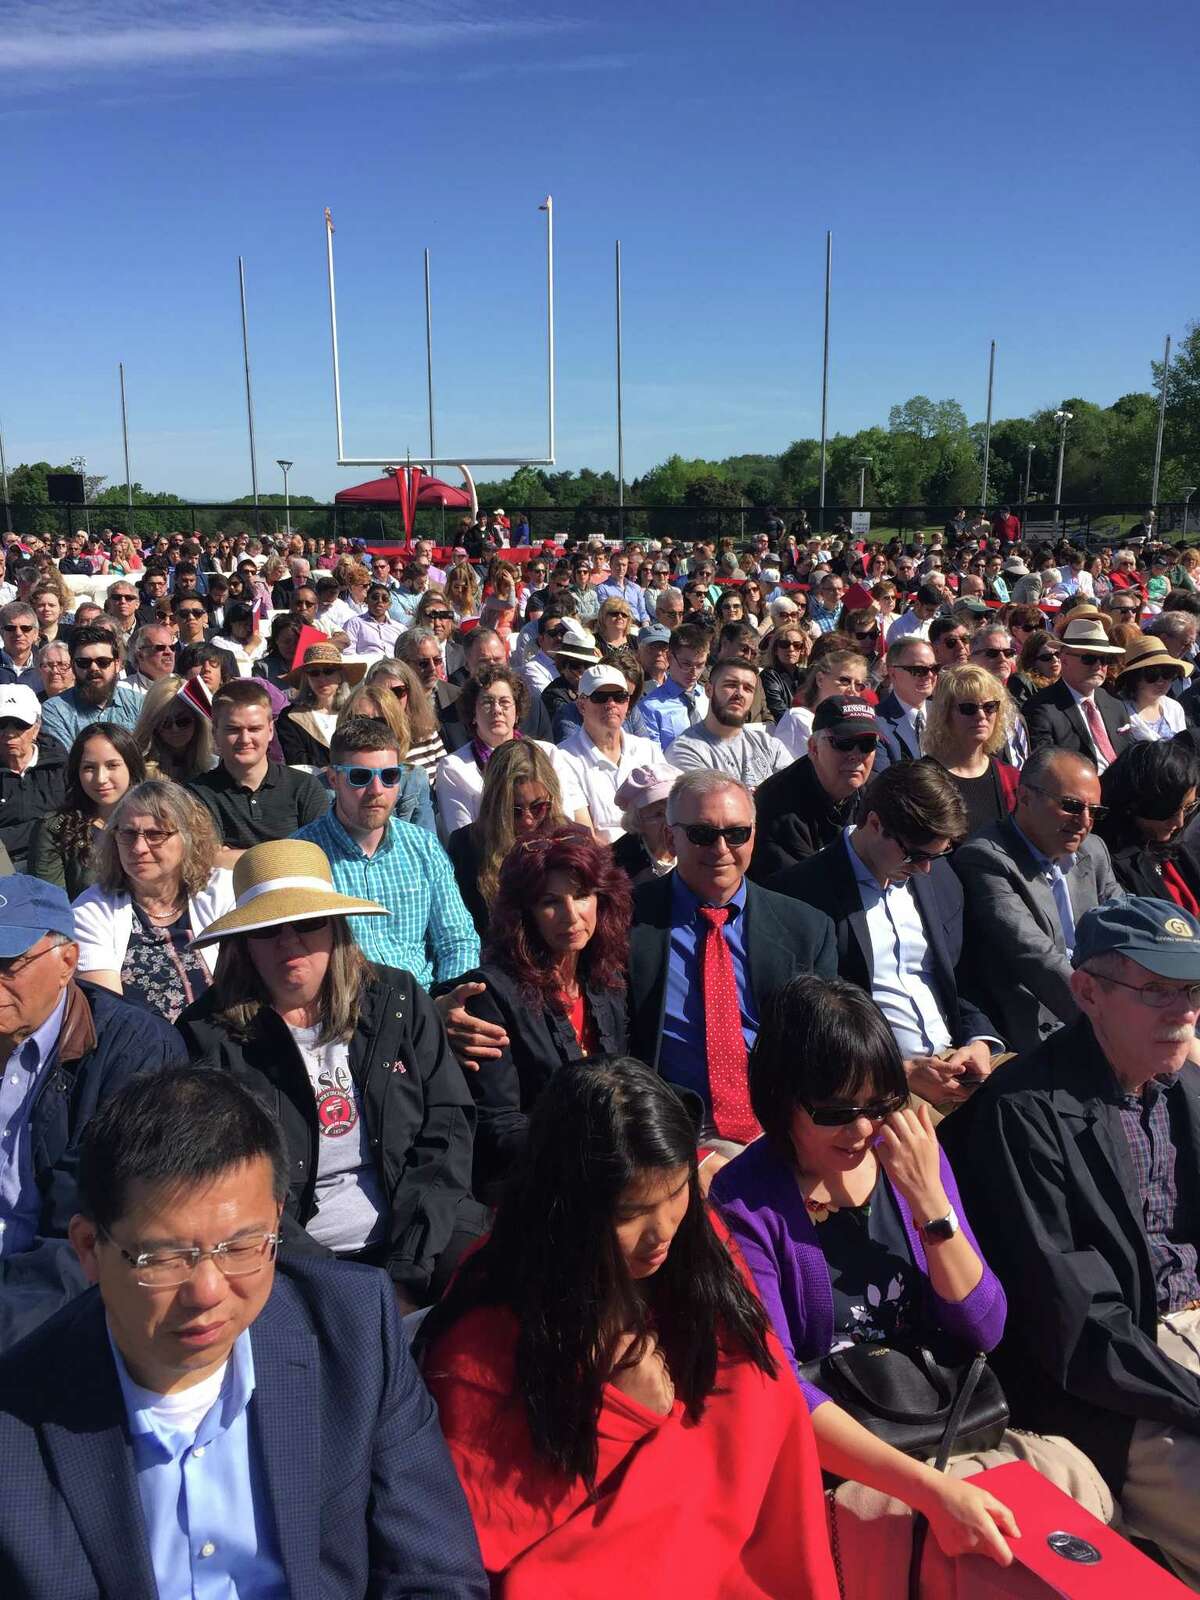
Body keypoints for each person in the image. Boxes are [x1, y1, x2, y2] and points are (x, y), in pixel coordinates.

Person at [0, 1065, 488, 1598]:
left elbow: (435, 1574)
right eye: (164, 1257)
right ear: (89, 1248)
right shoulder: (18, 1420)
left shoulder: (353, 1334)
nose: (207, 1290)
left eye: (241, 1247)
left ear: (278, 1219)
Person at [712, 978, 1108, 1594]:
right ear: (783, 1099)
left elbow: (985, 1326)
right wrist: (934, 1491)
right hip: (849, 1468)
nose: (862, 1130)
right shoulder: (745, 1202)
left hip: (943, 1424)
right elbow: (780, 1389)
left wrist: (930, 1204)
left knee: (1073, 1519)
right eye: (835, 1112)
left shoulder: (909, 1155)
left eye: (878, 1105)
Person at [420, 1057, 839, 1599]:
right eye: (630, 1212)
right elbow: (496, 1531)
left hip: (743, 1558)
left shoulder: (699, 1241)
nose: (661, 1232)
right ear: (566, 1209)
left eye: (675, 1193)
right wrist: (627, 1411)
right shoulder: (484, 1332)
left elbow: (771, 1401)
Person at [945, 899, 1200, 1588]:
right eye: (1157, 990)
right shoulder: (1025, 1113)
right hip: (1122, 1386)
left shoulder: (1184, 1091)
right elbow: (1079, 1327)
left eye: (1192, 991)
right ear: (1087, 992)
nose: (1182, 1010)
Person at [179, 843, 484, 1310]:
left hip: (421, 1230)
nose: (289, 942)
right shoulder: (208, 1037)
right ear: (243, 944)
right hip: (285, 1256)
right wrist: (344, 1286)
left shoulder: (396, 1000)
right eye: (268, 930)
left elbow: (445, 1129)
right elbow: (227, 1185)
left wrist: (406, 1268)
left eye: (307, 922)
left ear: (334, 928)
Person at [0, 876, 186, 1351]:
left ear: (68, 962)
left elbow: (88, 1228)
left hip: (53, 1290)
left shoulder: (133, 1050)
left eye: (9, 964)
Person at [771, 761, 1002, 1110]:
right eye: (916, 854)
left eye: (936, 855)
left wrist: (980, 1041)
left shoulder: (939, 877)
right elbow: (816, 1022)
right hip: (878, 1082)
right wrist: (897, 1072)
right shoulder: (802, 894)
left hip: (957, 1063)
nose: (925, 869)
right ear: (875, 823)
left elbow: (961, 979)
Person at [629, 771, 835, 1146]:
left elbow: (824, 1043)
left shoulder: (806, 928)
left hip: (781, 1123)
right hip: (672, 1129)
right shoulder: (626, 921)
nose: (721, 849)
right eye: (703, 835)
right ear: (671, 838)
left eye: (736, 833)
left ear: (753, 837)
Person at [449, 827, 631, 1196]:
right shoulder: (492, 993)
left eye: (581, 896)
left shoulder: (608, 976)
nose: (571, 915)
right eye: (550, 901)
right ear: (525, 912)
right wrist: (586, 1158)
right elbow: (498, 1123)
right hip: (537, 1183)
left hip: (619, 1164)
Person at [952, 748, 1122, 1053]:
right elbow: (1035, 957)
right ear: (1025, 796)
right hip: (1046, 1026)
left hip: (1106, 1005)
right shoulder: (986, 858)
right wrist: (1110, 1023)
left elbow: (1125, 925)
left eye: (1095, 811)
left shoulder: (1093, 850)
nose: (1084, 821)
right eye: (1071, 806)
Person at [294, 716, 479, 986]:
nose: (376, 790)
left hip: (427, 1006)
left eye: (390, 776)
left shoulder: (423, 846)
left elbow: (457, 940)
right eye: (360, 777)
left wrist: (452, 999)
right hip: (350, 1011)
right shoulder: (303, 856)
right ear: (333, 779)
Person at [71, 779, 233, 1021]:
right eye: (127, 833)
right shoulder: (91, 910)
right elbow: (110, 1014)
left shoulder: (223, 891)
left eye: (156, 834)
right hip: (147, 1050)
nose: (139, 848)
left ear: (188, 838)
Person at [188, 680, 328, 868]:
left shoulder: (305, 787)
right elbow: (207, 860)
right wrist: (289, 854)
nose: (245, 739)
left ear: (270, 730)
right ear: (215, 732)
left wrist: (231, 856)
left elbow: (319, 856)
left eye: (254, 729)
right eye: (233, 729)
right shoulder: (196, 794)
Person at [444, 739, 567, 938]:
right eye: (514, 810)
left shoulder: (567, 838)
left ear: (551, 800)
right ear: (495, 805)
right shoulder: (466, 846)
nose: (528, 820)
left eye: (538, 807)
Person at [751, 696, 880, 880]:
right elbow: (798, 891)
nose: (856, 755)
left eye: (867, 744)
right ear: (813, 747)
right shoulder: (776, 807)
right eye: (843, 743)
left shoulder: (881, 792)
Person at [434, 667, 560, 835]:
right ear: (473, 713)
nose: (497, 710)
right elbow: (462, 836)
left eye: (505, 702)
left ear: (517, 712)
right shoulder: (454, 768)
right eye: (487, 702)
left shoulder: (547, 753)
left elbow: (562, 818)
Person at [30, 723, 145, 899]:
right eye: (89, 768)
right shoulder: (55, 829)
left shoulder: (158, 819)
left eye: (112, 765)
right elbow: (51, 908)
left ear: (131, 766)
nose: (100, 779)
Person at [552, 664, 657, 840]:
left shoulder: (648, 750)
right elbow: (584, 835)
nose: (611, 704)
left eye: (620, 697)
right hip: (603, 862)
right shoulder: (563, 758)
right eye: (600, 697)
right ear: (581, 705)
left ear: (628, 703)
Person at [1095, 740, 1200, 906]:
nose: (1179, 822)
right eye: (1168, 811)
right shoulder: (1108, 862)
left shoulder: (1172, 846)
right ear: (1133, 803)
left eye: (1189, 807)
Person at [920, 663, 1020, 836]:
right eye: (968, 708)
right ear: (945, 715)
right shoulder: (921, 780)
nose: (981, 716)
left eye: (990, 707)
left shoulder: (1011, 779)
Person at [1024, 615, 1131, 774]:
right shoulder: (1041, 709)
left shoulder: (1115, 703)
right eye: (1089, 659)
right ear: (1064, 660)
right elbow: (1048, 771)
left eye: (1104, 659)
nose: (1098, 666)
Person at [668, 658, 791, 791]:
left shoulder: (769, 745)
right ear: (709, 690)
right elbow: (714, 806)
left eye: (748, 689)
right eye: (731, 685)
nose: (739, 694)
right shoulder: (686, 751)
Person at [337, 678, 436, 833]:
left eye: (380, 722)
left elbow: (428, 841)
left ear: (396, 725)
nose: (369, 730)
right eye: (359, 721)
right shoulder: (328, 783)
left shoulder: (415, 778)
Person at [39, 625, 142, 748]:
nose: (93, 668)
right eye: (84, 663)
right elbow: (64, 762)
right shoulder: (55, 710)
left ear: (117, 665)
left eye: (103, 662)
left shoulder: (139, 703)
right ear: (73, 665)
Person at [0, 684, 67, 872]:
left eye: (20, 724)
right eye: (1, 724)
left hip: (56, 857)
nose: (10, 733)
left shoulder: (62, 766)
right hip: (4, 862)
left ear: (37, 727)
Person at [770, 646, 870, 761]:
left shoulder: (859, 724)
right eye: (844, 681)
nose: (852, 690)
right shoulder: (798, 718)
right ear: (820, 680)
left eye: (859, 685)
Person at [276, 640, 364, 769]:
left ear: (340, 676)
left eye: (328, 671)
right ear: (307, 679)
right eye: (314, 673)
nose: (322, 679)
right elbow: (296, 759)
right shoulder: (290, 717)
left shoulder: (357, 714)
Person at [638, 623, 710, 750]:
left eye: (700, 665)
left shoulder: (708, 697)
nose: (694, 672)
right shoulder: (650, 707)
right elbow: (654, 757)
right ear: (670, 658)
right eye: (686, 664)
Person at [132, 674, 214, 783]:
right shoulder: (138, 770)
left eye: (183, 721)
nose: (175, 729)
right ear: (153, 725)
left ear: (198, 721)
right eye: (165, 723)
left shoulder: (212, 766)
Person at [611, 763, 678, 885]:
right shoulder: (618, 864)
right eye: (658, 814)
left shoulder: (695, 843)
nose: (669, 820)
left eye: (673, 809)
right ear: (637, 821)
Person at [1115, 633, 1190, 741]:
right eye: (1152, 673)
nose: (1161, 681)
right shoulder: (1119, 710)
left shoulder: (1175, 708)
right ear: (1135, 677)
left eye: (1168, 672)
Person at [876, 635, 938, 762]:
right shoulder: (876, 722)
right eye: (919, 670)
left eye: (934, 668)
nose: (929, 675)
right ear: (892, 673)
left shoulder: (946, 713)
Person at [0, 601, 44, 693]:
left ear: (36, 633)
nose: (18, 633)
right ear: (2, 633)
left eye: (26, 628)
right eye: (11, 628)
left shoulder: (47, 666)